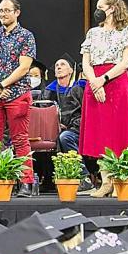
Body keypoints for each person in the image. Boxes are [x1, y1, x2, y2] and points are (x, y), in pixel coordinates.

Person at [79, 0, 128, 197]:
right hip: (94, 82)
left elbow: (124, 62)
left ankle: (120, 180)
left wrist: (103, 80)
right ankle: (105, 182)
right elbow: (86, 62)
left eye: (100, 6)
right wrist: (94, 82)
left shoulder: (127, 32)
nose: (97, 10)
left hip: (115, 82)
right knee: (100, 132)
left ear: (112, 8)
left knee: (118, 130)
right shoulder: (93, 33)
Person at [0, 0, 36, 197]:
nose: (3, 14)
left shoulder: (26, 36)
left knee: (20, 139)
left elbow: (24, 67)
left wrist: (3, 85)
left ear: (17, 12)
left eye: (7, 10)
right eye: (1, 10)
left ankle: (25, 182)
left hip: (17, 93)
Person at [42, 53, 93, 192]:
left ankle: (84, 178)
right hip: (52, 130)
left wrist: (68, 127)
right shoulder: (48, 91)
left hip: (77, 129)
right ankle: (47, 179)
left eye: (62, 64)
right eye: (57, 65)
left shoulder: (79, 88)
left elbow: (85, 114)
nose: (58, 67)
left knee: (65, 137)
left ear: (71, 70)